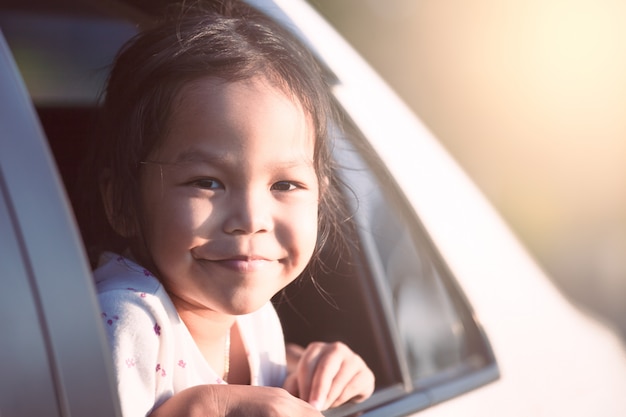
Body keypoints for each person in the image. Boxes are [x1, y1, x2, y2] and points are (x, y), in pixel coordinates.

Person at [82, 0, 375, 416]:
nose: (251, 220)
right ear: (122, 203)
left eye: (285, 184)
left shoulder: (256, 318)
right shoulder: (124, 320)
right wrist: (204, 406)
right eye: (207, 182)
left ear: (320, 196)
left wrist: (316, 373)